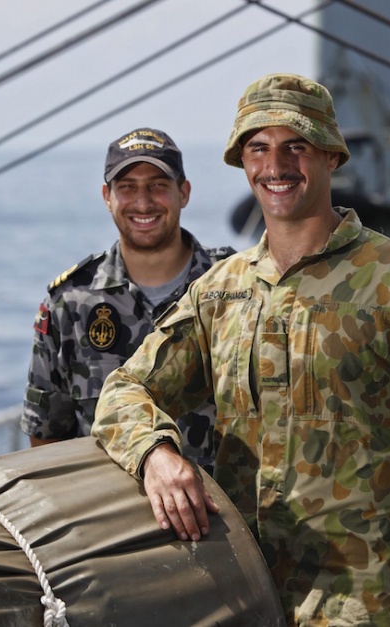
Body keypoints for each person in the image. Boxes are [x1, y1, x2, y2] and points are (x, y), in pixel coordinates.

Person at [92, 73, 390, 626]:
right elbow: (124, 389)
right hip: (245, 594)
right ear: (243, 162)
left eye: (295, 146)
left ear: (330, 157)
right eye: (258, 148)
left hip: (366, 599)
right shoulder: (222, 290)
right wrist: (156, 454)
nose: (275, 166)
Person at [22, 127, 234, 464]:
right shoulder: (71, 303)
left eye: (158, 186)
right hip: (111, 512)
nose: (143, 202)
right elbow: (47, 437)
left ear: (184, 192)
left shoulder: (234, 286)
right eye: (127, 188)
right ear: (107, 197)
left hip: (222, 509)